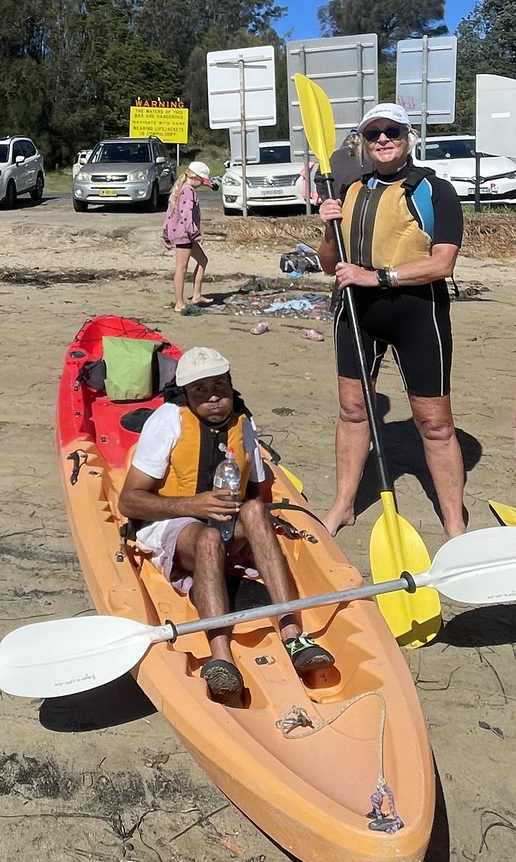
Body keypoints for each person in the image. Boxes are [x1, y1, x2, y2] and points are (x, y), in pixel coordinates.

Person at [117, 347, 335, 703]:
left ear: (231, 385)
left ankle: (293, 633)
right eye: (200, 390)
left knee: (255, 511)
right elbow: (128, 500)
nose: (213, 396)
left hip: (224, 522)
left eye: (219, 385)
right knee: (206, 538)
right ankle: (221, 656)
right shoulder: (168, 421)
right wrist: (193, 504)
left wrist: (247, 522)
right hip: (171, 523)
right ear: (185, 393)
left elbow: (257, 490)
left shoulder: (243, 422)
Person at [316, 101, 467, 539]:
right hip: (356, 314)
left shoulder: (435, 190)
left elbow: (442, 265)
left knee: (435, 424)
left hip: (418, 315)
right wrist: (328, 230)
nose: (382, 139)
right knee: (352, 411)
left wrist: (377, 277)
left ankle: (454, 523)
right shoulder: (350, 190)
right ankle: (344, 506)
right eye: (373, 133)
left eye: (392, 132)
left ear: (407, 138)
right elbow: (331, 265)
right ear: (363, 143)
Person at [163, 159, 213, 315]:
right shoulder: (188, 191)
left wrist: (165, 234)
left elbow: (169, 214)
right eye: (202, 181)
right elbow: (185, 215)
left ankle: (196, 295)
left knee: (203, 260)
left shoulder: (181, 188)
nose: (202, 184)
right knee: (181, 268)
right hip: (184, 235)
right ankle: (179, 303)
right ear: (196, 178)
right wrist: (195, 233)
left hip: (184, 233)